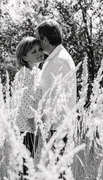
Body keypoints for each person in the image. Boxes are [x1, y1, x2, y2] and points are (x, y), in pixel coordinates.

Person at [35, 19, 76, 151]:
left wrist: (47, 130)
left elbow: (58, 98)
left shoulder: (60, 60)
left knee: (58, 170)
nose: (37, 43)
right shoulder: (55, 58)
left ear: (45, 39)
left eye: (38, 39)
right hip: (53, 127)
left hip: (57, 128)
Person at [13, 36, 44, 180]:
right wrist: (36, 129)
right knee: (25, 169)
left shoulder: (37, 72)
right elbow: (25, 106)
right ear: (24, 57)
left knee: (29, 169)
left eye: (40, 49)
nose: (39, 53)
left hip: (33, 128)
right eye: (34, 51)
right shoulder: (25, 75)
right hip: (26, 129)